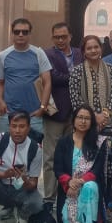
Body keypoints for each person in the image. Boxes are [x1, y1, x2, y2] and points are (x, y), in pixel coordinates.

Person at [69, 34, 112, 203]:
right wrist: (93, 117)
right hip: (86, 126)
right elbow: (75, 98)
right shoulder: (76, 72)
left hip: (108, 125)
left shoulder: (111, 69)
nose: (93, 50)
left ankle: (109, 200)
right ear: (83, 51)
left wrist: (104, 116)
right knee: (88, 163)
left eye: (96, 47)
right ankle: (89, 199)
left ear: (101, 48)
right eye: (89, 48)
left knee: (110, 163)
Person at [0, 110, 45, 223]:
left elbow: (33, 184)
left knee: (37, 203)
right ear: (9, 126)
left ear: (28, 128)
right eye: (14, 126)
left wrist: (24, 180)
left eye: (22, 126)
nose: (17, 131)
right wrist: (3, 174)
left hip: (21, 190)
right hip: (1, 188)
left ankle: (21, 215)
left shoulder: (36, 149)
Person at [42, 22, 83, 209]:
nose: (60, 40)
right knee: (50, 156)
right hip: (55, 113)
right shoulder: (47, 54)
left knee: (72, 155)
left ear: (70, 36)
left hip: (76, 114)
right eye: (57, 37)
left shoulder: (79, 53)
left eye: (63, 36)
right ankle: (49, 197)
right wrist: (76, 75)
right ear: (52, 38)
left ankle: (69, 191)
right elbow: (53, 77)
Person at [53, 106, 108, 223]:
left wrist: (79, 182)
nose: (83, 121)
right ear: (74, 120)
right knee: (66, 221)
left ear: (92, 122)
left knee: (91, 186)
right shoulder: (63, 142)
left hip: (87, 185)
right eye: (80, 117)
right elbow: (57, 169)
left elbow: (97, 169)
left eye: (87, 118)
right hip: (69, 188)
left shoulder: (98, 143)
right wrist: (69, 183)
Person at [0, 17, 52, 137]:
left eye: (25, 32)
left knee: (34, 152)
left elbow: (47, 82)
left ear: (29, 34)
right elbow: (0, 82)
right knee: (5, 151)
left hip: (34, 114)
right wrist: (0, 101)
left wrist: (43, 107)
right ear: (12, 34)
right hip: (9, 113)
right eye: (17, 32)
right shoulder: (3, 55)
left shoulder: (39, 53)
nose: (21, 35)